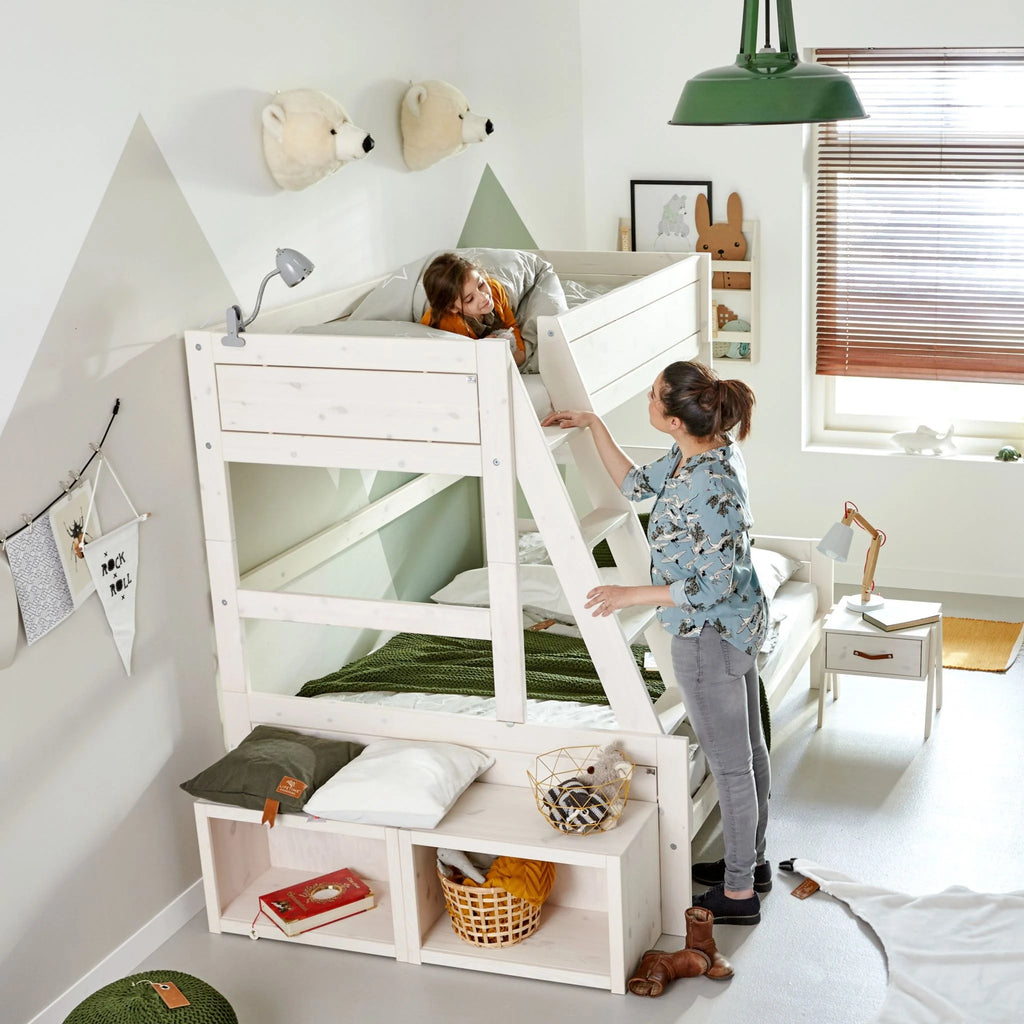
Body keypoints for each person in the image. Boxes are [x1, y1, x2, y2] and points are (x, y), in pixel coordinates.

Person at [541, 360, 770, 925]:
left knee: (734, 766)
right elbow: (634, 484)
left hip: (710, 637)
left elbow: (711, 581)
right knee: (750, 752)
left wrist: (631, 594)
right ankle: (753, 863)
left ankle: (739, 893)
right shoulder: (701, 452)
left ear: (672, 419)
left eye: (651, 397)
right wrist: (594, 425)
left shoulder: (710, 480)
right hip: (736, 626)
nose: (646, 401)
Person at [420, 252, 526, 367]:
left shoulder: (495, 289)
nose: (483, 297)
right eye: (470, 299)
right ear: (452, 307)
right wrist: (479, 348)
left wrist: (519, 354)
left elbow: (510, 325)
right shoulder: (445, 324)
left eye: (480, 285)